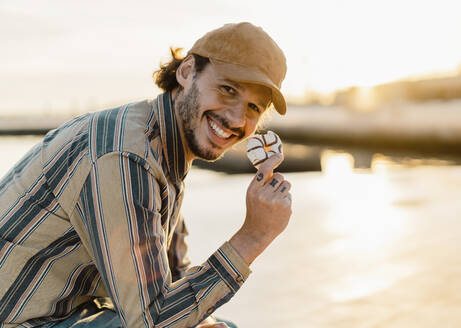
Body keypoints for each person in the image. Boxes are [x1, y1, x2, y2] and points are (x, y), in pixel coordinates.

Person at [0, 22, 292, 327]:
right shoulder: (127, 156)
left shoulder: (166, 149)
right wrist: (255, 235)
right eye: (228, 89)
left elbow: (171, 272)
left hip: (70, 311)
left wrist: (203, 323)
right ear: (186, 72)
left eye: (253, 107)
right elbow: (150, 321)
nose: (236, 118)